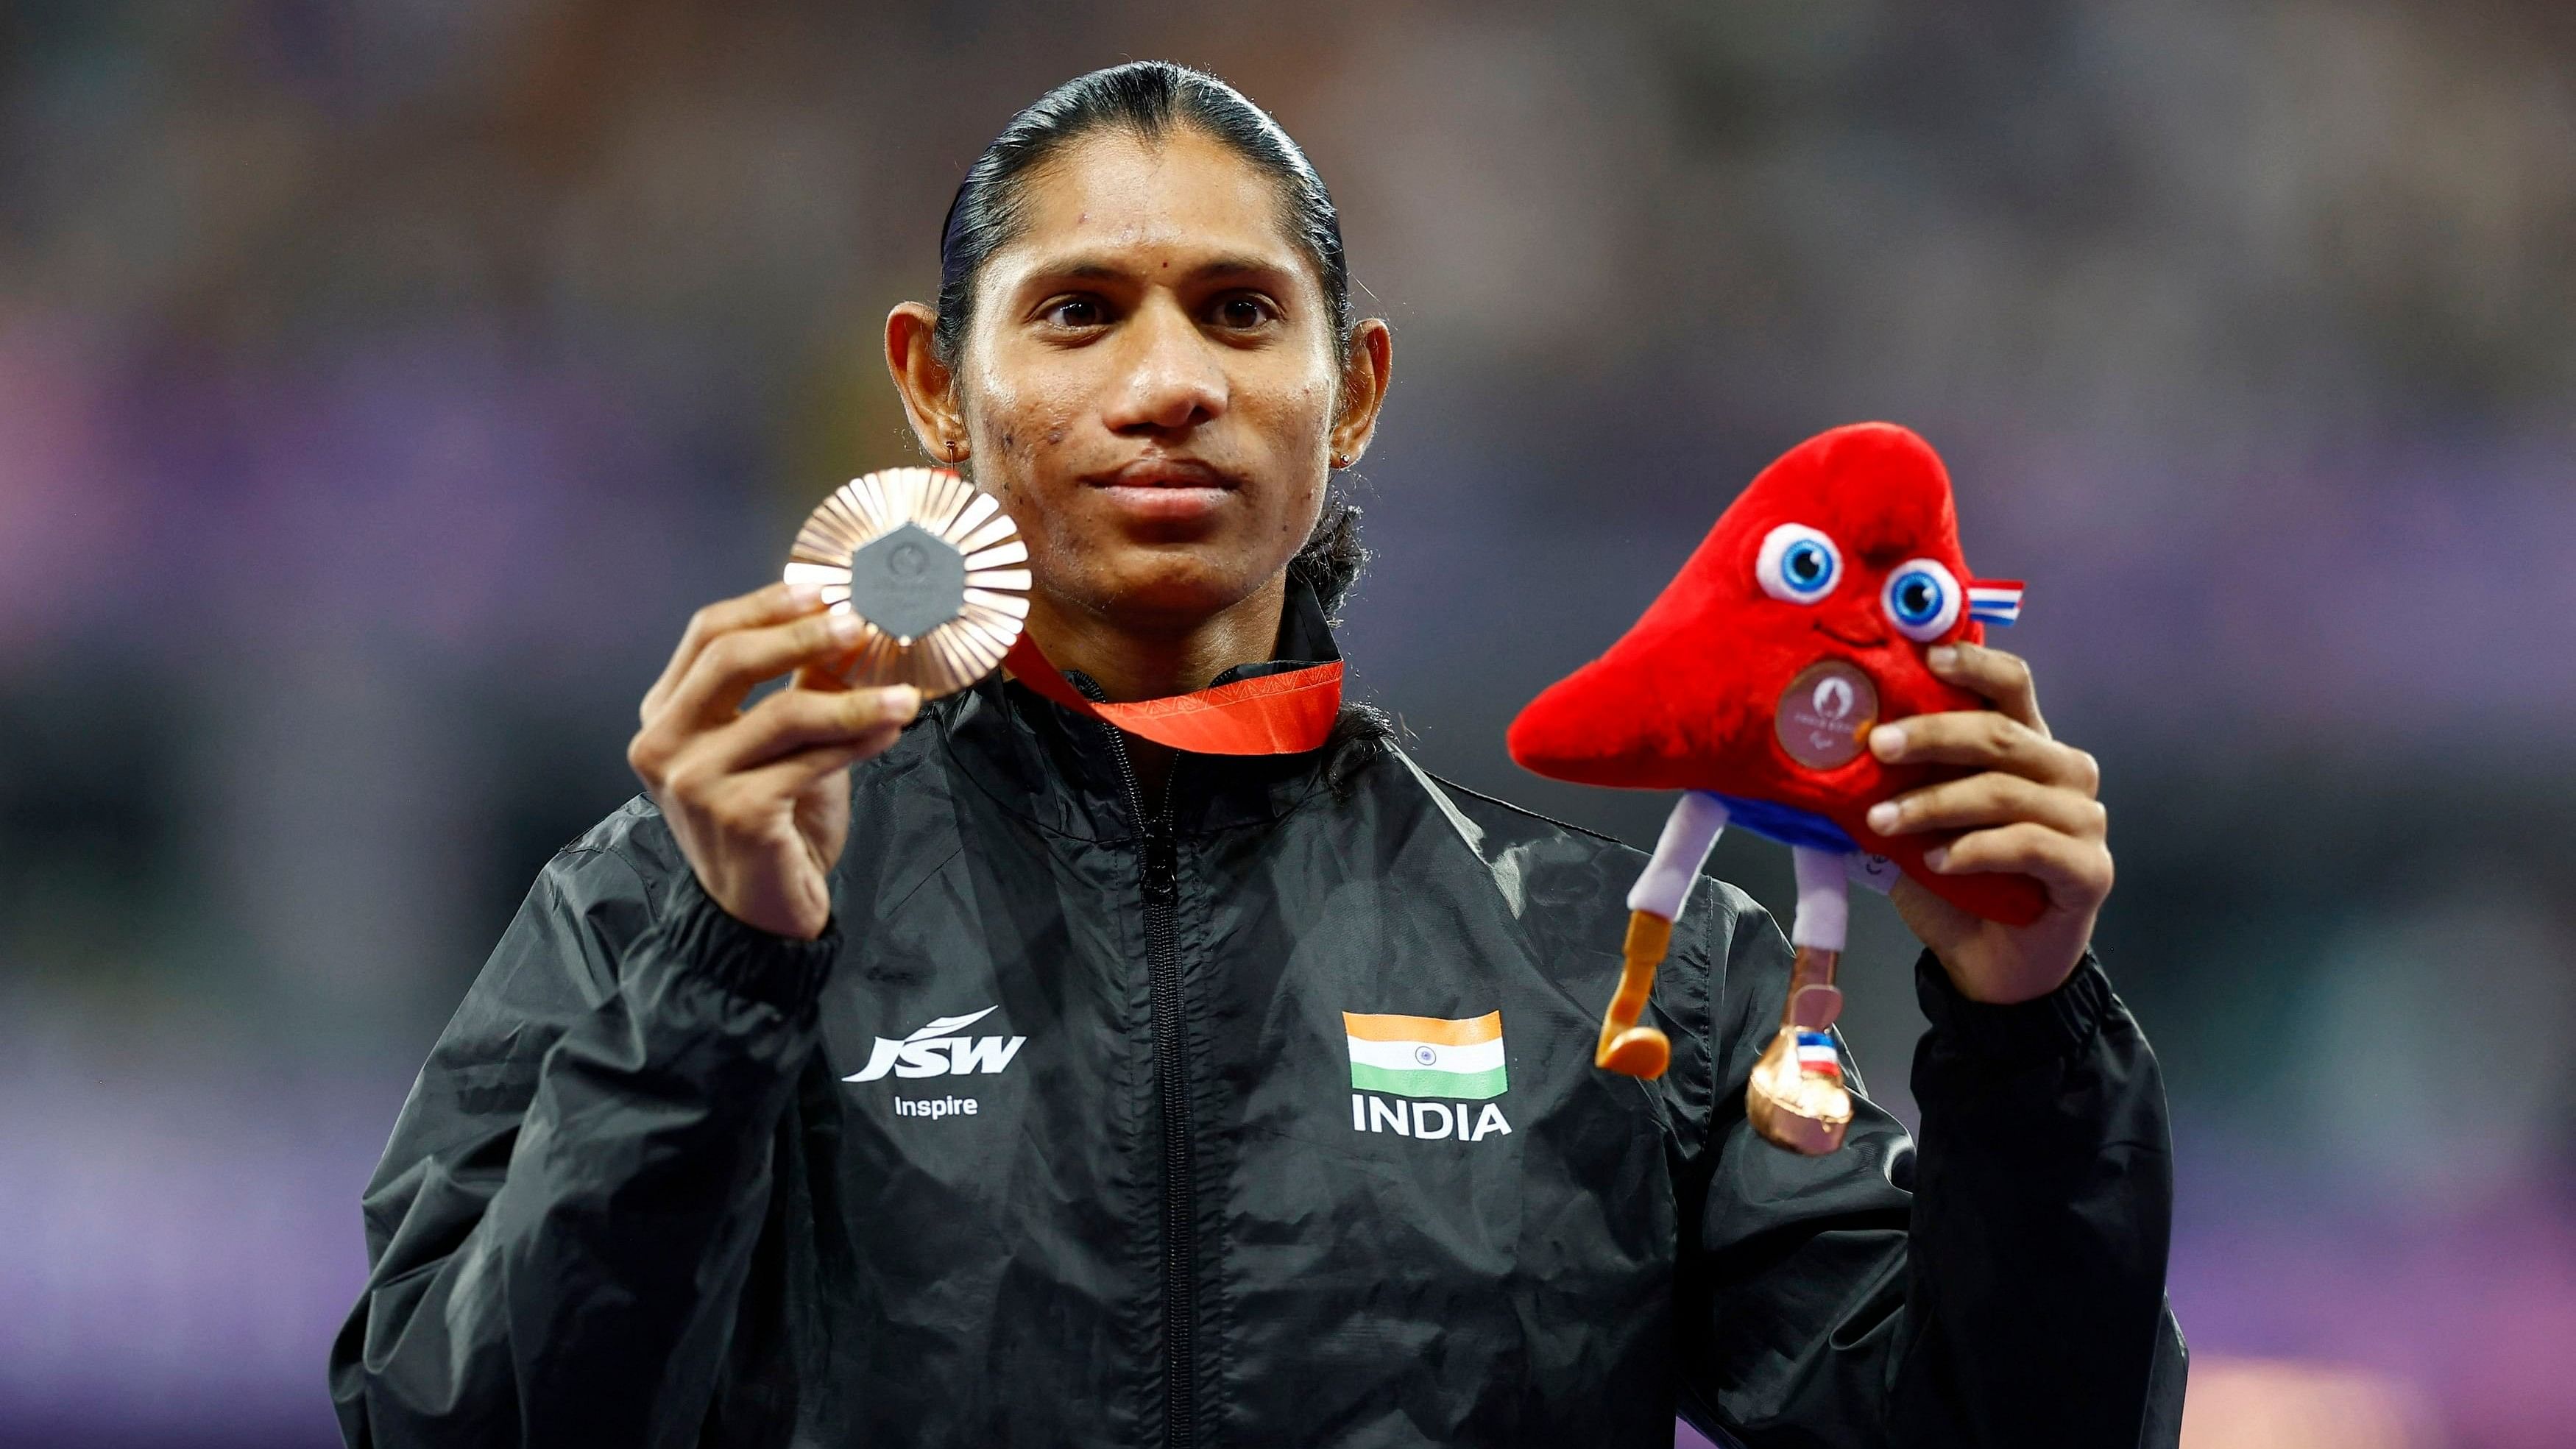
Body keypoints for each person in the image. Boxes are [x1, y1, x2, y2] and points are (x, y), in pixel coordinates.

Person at [329, 61, 2184, 1448]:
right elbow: (453, 1422)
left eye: (1239, 312)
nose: (1168, 384)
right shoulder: (674, 898)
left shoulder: (1606, 962)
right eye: (1077, 312)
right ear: (931, 386)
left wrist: (2022, 1031)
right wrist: (730, 969)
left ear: (1351, 391)